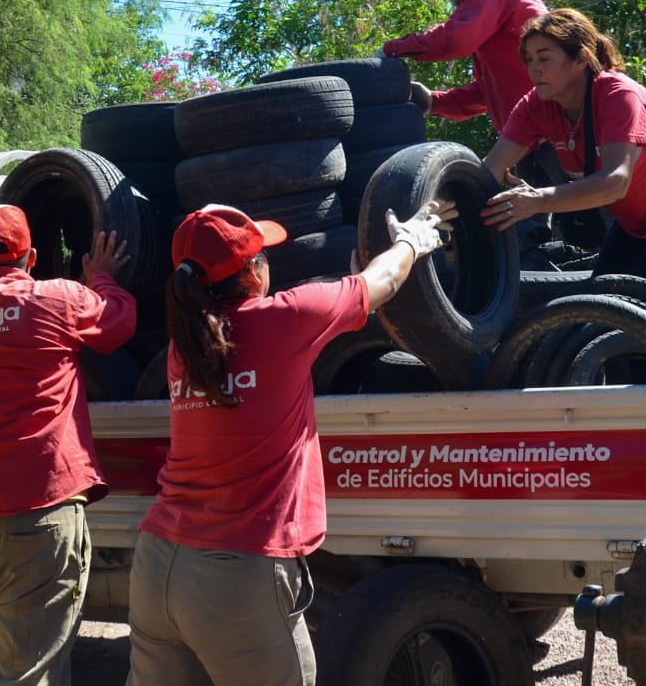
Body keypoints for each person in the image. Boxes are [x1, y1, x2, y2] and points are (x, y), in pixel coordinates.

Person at [126, 199, 456, 686]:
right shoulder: (286, 319)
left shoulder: (186, 345)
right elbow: (383, 282)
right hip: (237, 570)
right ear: (253, 272)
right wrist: (411, 241)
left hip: (158, 563)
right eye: (262, 256)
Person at [0, 204, 137, 686]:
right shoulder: (56, 300)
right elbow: (119, 321)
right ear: (32, 256)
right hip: (33, 512)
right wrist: (101, 278)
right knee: (29, 669)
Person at [480, 8, 646, 289]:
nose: (534, 69)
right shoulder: (534, 105)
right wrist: (439, 209)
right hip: (634, 215)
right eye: (529, 59)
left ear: (581, 58)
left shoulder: (619, 95)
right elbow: (489, 169)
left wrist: (537, 200)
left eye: (544, 58)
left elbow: (614, 183)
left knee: (642, 300)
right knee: (600, 298)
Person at [380, 0, 548, 133]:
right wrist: (433, 101)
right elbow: (485, 94)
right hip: (531, 138)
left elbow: (453, 41)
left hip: (551, 132)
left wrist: (391, 49)